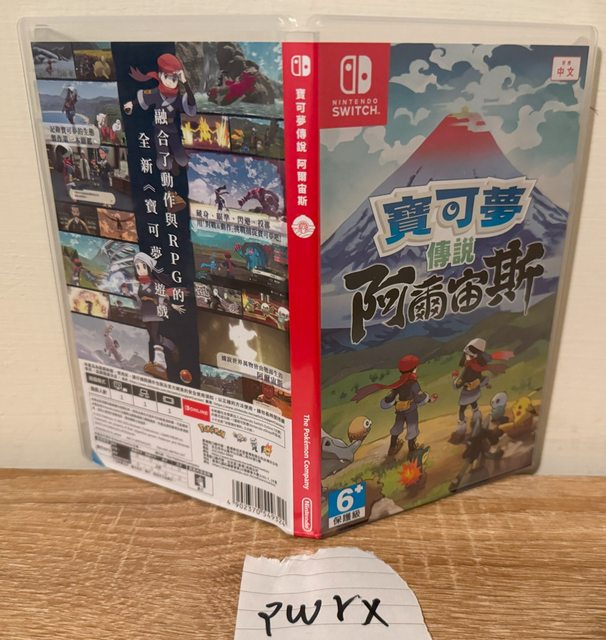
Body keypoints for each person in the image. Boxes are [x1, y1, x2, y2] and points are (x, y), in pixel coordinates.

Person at [353, 354, 438, 458]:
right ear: (413, 369)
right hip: (411, 409)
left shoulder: (399, 383)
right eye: (415, 367)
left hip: (400, 409)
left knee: (397, 426)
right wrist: (429, 399)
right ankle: (412, 450)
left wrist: (392, 402)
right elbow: (419, 397)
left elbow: (390, 396)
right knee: (412, 428)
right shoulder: (413, 383)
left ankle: (392, 447)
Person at [124, 53, 196, 172]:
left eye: (174, 79)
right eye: (167, 77)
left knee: (180, 156)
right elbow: (143, 98)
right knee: (163, 156)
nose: (171, 82)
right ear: (160, 75)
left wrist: (185, 82)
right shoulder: (156, 93)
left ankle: (178, 165)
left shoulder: (178, 98)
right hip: (159, 128)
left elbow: (191, 103)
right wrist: (131, 104)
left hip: (172, 128)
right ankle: (167, 171)